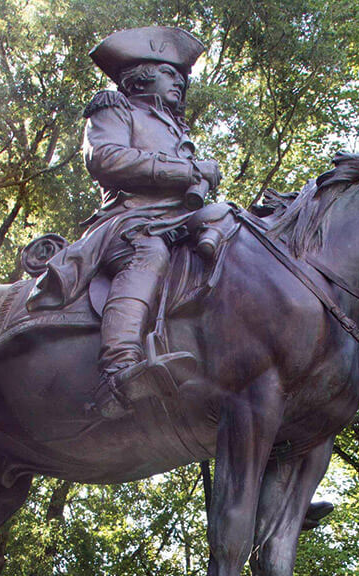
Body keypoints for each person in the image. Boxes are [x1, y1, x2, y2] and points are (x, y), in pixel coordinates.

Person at [27, 26, 221, 418]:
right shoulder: (115, 109)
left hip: (179, 222)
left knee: (234, 230)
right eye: (170, 74)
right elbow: (105, 159)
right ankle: (118, 371)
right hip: (130, 222)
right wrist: (186, 171)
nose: (180, 83)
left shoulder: (175, 129)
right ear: (142, 75)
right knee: (147, 254)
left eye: (182, 78)